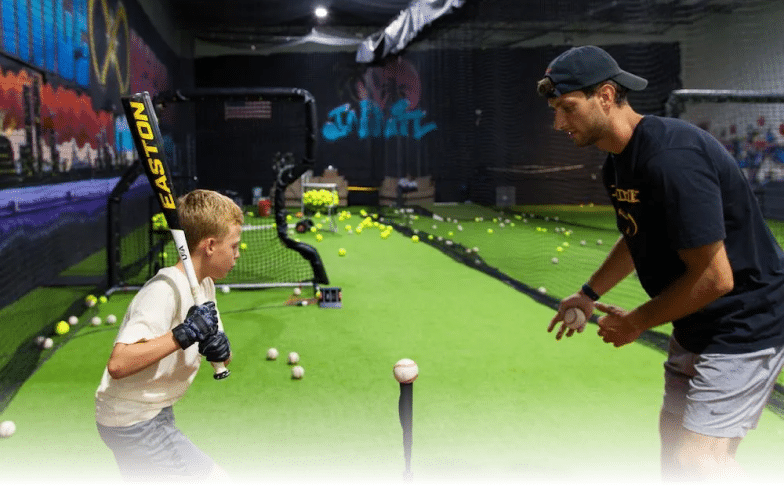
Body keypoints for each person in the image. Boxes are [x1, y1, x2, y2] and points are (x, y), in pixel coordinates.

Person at [538, 45, 784, 481]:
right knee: (674, 457)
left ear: (607, 96)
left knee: (699, 461)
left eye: (568, 108)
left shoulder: (672, 159)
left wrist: (635, 322)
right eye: (556, 109)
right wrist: (590, 294)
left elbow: (715, 278)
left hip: (747, 323)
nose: (559, 122)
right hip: (695, 322)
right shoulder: (619, 165)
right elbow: (638, 235)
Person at [95, 189, 243, 480]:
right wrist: (182, 335)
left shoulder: (205, 286)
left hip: (155, 412)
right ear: (210, 245)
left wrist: (220, 351)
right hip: (134, 420)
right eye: (234, 246)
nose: (237, 255)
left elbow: (222, 354)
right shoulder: (163, 289)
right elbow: (119, 363)